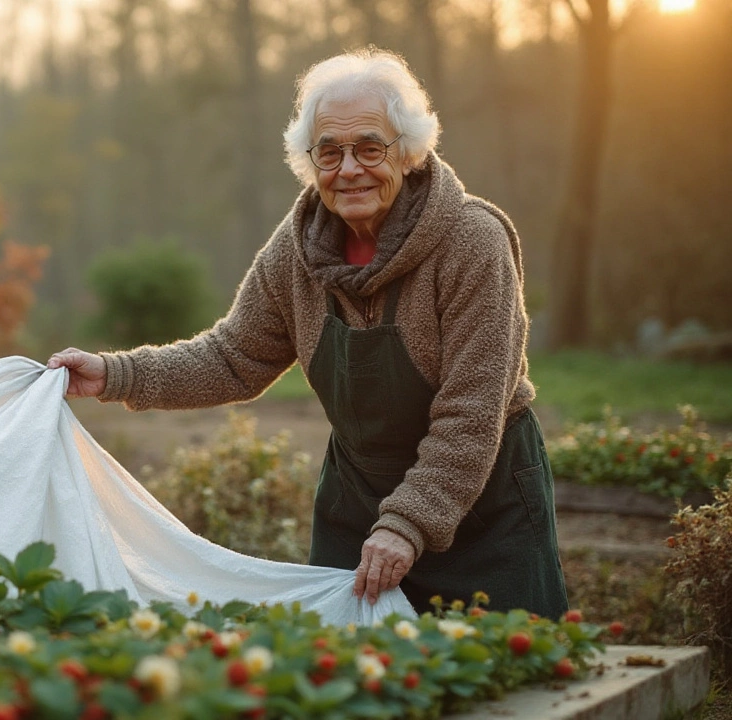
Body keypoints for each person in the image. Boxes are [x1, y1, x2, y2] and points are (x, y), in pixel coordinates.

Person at [48, 48, 568, 618]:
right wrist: (115, 374)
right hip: (358, 504)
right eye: (329, 151)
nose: (349, 169)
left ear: (411, 151)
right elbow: (232, 358)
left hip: (482, 509)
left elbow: (471, 409)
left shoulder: (473, 242)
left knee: (507, 684)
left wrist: (409, 521)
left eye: (371, 147)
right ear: (309, 159)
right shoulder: (299, 251)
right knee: (346, 685)